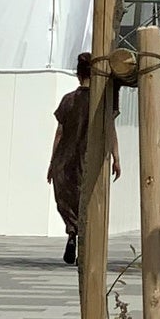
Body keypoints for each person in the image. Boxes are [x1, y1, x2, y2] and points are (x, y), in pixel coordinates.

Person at [48, 50, 119, 266]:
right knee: (88, 203)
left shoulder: (68, 100)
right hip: (90, 160)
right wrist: (116, 157)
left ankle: (72, 232)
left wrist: (52, 163)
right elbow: (110, 129)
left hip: (65, 161)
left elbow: (59, 134)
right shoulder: (101, 102)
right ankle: (84, 246)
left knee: (67, 202)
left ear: (79, 75)